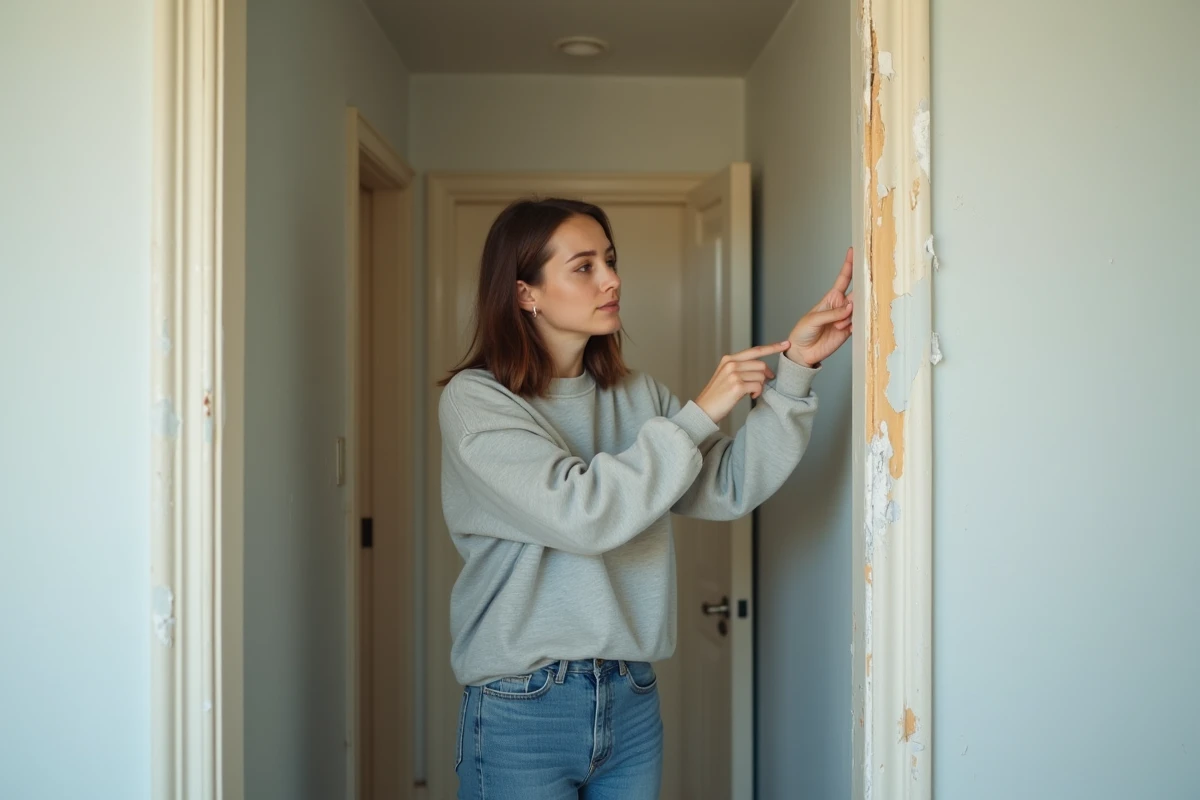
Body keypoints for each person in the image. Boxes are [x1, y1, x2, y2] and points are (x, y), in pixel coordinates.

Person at [437, 197, 853, 800]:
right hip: (522, 706)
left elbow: (727, 485)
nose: (611, 279)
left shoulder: (635, 394)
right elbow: (581, 514)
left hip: (630, 698)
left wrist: (795, 369)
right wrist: (700, 413)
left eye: (610, 259)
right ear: (526, 293)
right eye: (584, 267)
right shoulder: (478, 403)